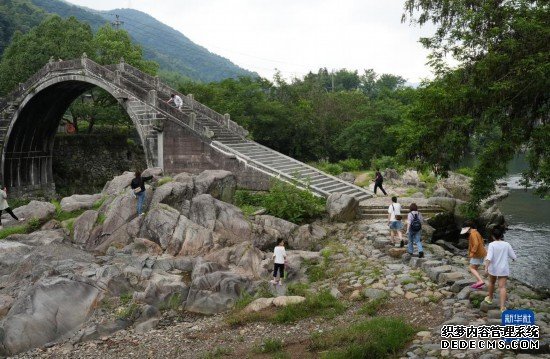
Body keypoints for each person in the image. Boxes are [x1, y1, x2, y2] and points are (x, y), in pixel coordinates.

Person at [484, 227, 517, 312]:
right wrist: (513, 259)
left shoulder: (491, 245)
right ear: (501, 235)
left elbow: (489, 258)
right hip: (503, 269)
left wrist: (486, 268)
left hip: (493, 269)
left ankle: (490, 298)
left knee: (491, 283)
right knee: (502, 287)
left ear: (492, 236)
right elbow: (513, 256)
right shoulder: (507, 244)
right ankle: (502, 307)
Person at [461, 220, 487, 289]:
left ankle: (480, 281)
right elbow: (482, 241)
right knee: (475, 268)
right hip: (482, 253)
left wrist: (472, 252)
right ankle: (479, 282)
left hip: (477, 254)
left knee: (471, 268)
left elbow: (476, 244)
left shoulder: (473, 234)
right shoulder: (476, 232)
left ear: (468, 228)